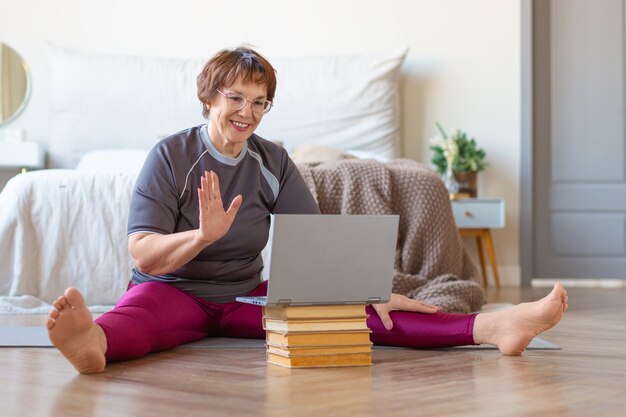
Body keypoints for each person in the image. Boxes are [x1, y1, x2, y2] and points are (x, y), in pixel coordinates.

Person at [47, 46, 568, 374]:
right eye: (236, 97)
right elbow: (143, 253)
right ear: (209, 96)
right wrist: (201, 237)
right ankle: (92, 345)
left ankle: (495, 328)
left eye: (259, 102)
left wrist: (367, 292)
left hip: (243, 297)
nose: (247, 112)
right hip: (170, 291)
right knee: (133, 321)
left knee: (359, 315)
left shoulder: (273, 160)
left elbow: (315, 246)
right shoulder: (171, 156)